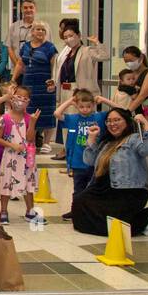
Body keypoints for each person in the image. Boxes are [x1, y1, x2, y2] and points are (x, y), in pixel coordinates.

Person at [71, 109, 148, 237]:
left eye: (117, 120)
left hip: (127, 190)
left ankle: (145, 218)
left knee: (114, 225)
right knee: (79, 204)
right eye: (109, 121)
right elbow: (88, 160)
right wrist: (91, 138)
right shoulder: (106, 142)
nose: (112, 124)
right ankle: (131, 222)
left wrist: (146, 125)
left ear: (127, 122)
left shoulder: (133, 139)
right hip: (102, 188)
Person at [51, 22, 111, 160]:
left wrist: (98, 43)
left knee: (80, 125)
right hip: (66, 91)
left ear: (78, 35)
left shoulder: (87, 50)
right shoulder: (65, 53)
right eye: (65, 37)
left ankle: (82, 155)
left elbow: (105, 56)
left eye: (71, 36)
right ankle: (68, 152)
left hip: (81, 91)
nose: (68, 39)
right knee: (68, 125)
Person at [54, 90, 107, 219]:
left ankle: (91, 211)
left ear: (93, 105)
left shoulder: (98, 117)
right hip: (77, 162)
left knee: (92, 189)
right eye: (81, 107)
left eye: (88, 106)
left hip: (94, 162)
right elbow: (57, 113)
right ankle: (76, 210)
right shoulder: (73, 119)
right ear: (77, 106)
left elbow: (123, 110)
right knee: (78, 189)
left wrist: (104, 100)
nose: (85, 110)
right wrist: (70, 101)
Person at [0, 85, 42, 225]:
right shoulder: (4, 118)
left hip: (27, 158)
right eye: (18, 97)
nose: (20, 101)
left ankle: (30, 211)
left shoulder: (29, 118)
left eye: (24, 98)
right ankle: (3, 211)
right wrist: (13, 146)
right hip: (9, 156)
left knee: (29, 183)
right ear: (12, 98)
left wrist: (33, 123)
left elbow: (30, 138)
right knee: (6, 182)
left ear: (28, 102)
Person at [13, 21, 58, 153]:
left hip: (45, 85)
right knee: (28, 111)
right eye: (38, 29)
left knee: (47, 112)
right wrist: (13, 79)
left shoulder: (50, 47)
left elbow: (54, 67)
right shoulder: (25, 46)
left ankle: (46, 142)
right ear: (32, 32)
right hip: (28, 84)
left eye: (43, 30)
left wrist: (53, 82)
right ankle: (29, 139)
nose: (40, 32)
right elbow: (20, 64)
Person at [119, 45, 148, 119]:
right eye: (126, 61)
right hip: (131, 111)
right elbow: (120, 89)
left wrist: (126, 113)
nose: (128, 63)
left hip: (146, 113)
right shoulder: (129, 73)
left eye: (131, 61)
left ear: (141, 58)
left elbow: (141, 97)